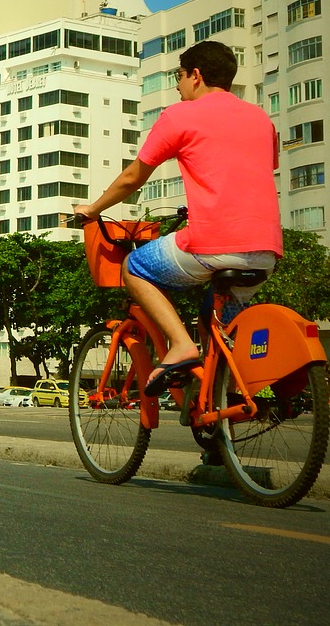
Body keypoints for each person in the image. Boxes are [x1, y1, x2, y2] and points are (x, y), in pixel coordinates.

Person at [72, 40, 282, 397]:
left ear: (196, 76)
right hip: (266, 253)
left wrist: (93, 209)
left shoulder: (180, 115)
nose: (177, 84)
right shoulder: (260, 118)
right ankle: (219, 429)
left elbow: (132, 178)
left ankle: (180, 345)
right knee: (214, 332)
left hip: (212, 243)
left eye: (179, 75)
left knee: (135, 268)